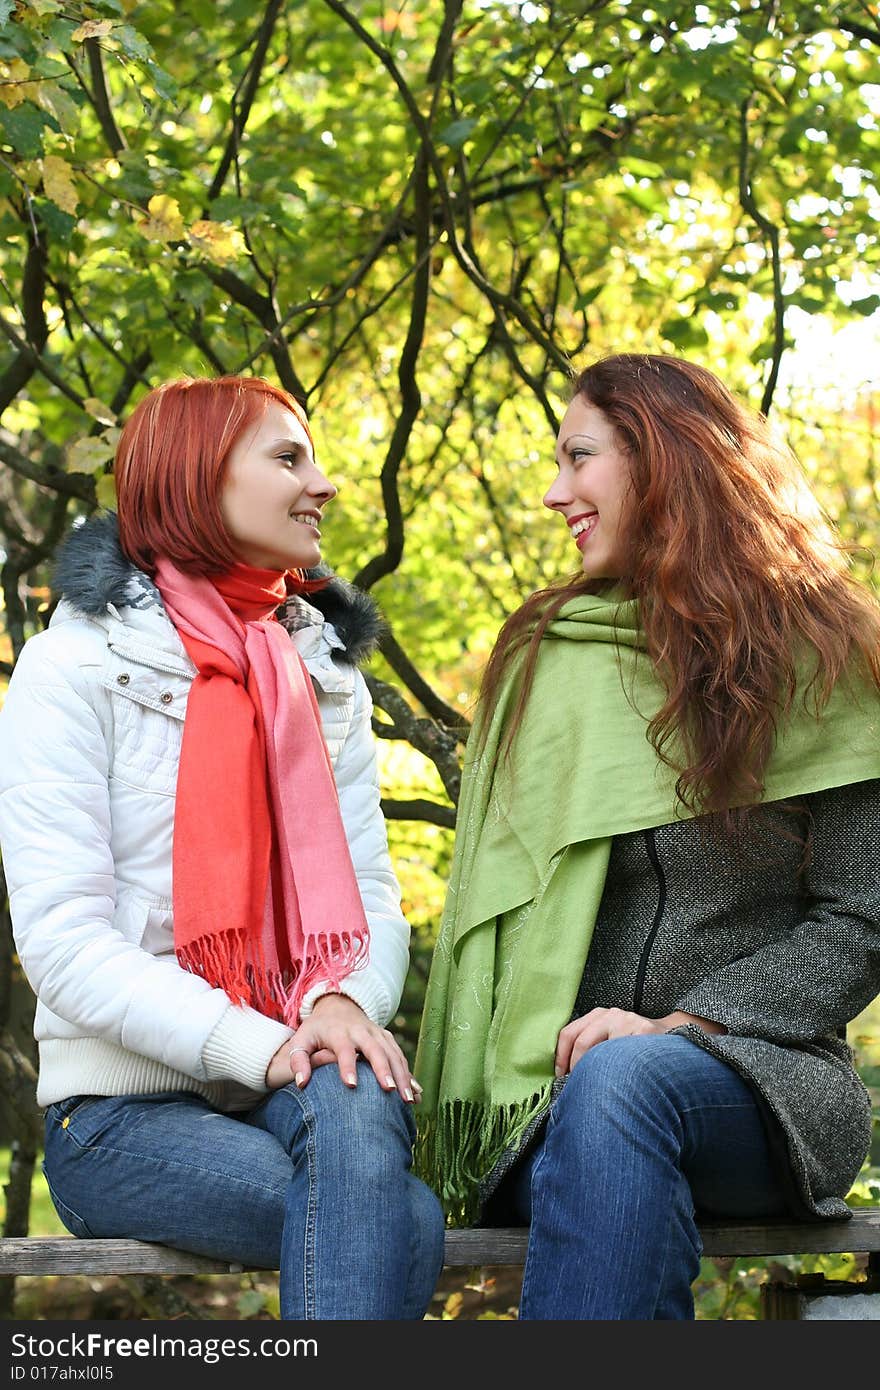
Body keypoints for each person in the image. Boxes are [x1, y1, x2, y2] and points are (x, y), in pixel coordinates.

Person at [414, 352, 880, 1320]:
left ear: (662, 460)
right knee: (607, 1102)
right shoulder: (550, 659)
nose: (553, 494)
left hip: (769, 1085)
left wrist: (687, 1023)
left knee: (625, 1081)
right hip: (546, 1093)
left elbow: (861, 918)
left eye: (577, 457)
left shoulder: (829, 659)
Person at [0, 375, 445, 1321]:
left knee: (361, 1103)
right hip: (122, 1117)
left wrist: (333, 1004)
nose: (321, 484)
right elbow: (63, 942)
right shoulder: (72, 670)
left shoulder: (323, 675)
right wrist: (262, 1045)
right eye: (288, 458)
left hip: (297, 1073)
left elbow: (369, 893)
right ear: (200, 481)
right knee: (394, 1215)